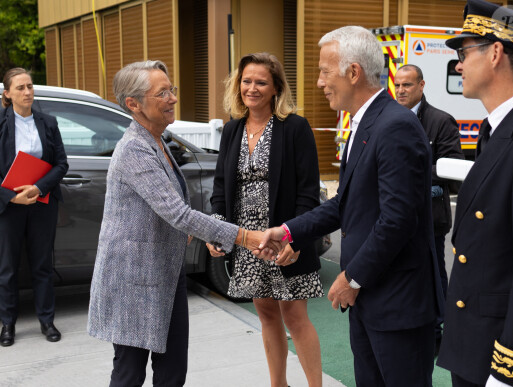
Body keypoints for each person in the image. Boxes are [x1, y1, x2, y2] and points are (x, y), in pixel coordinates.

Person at [257, 26, 444, 386]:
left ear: (353, 72)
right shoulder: (365, 123)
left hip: (397, 303)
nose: (319, 82)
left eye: (325, 71)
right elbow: (347, 203)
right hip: (370, 299)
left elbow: (397, 219)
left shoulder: (395, 126)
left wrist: (352, 277)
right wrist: (289, 230)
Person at [86, 60, 276, 387]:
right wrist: (246, 237)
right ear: (133, 104)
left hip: (165, 273)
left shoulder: (158, 139)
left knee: (173, 371)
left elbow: (173, 215)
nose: (173, 98)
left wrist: (195, 233)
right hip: (134, 280)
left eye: (172, 89)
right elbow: (178, 214)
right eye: (162, 93)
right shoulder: (134, 147)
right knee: (129, 373)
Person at [209, 52, 323, 387]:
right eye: (246, 81)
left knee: (295, 315)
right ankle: (279, 384)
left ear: (275, 88)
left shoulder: (295, 128)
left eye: (261, 82)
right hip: (248, 239)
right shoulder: (231, 130)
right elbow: (221, 188)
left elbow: (308, 192)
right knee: (266, 312)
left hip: (285, 236)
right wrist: (218, 228)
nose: (252, 88)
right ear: (238, 84)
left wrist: (297, 238)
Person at [436, 1, 513, 386]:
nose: (458, 65)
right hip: (474, 339)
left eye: (463, 52)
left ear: (495, 53)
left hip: (502, 354)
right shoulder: (496, 130)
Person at [0, 68, 69, 347]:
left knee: (42, 265)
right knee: (7, 268)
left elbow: (61, 164)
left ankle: (46, 320)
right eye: (20, 88)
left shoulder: (48, 122)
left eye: (30, 86)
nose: (27, 91)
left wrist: (39, 188)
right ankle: (8, 324)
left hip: (41, 203)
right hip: (7, 206)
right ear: (7, 93)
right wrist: (11, 196)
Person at [394, 64, 464, 354]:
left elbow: (453, 168)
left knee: (434, 276)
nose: (400, 91)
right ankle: (413, 327)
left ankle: (439, 333)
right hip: (397, 218)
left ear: (421, 86)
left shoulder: (440, 121)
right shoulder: (390, 117)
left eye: (407, 85)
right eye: (397, 85)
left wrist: (413, 173)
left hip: (431, 218)